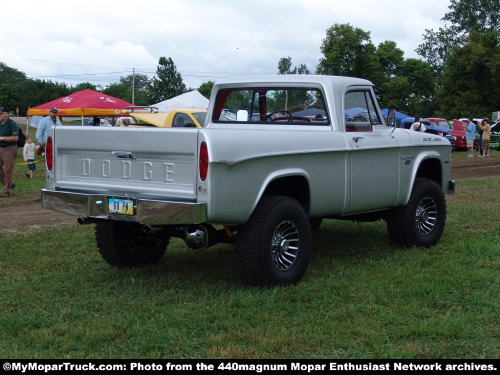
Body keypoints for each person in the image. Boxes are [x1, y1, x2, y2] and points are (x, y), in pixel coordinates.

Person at [0, 107, 20, 197]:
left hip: (10, 148)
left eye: (1, 113)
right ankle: (9, 184)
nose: (0, 115)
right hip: (1, 147)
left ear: (7, 114)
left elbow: (16, 138)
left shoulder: (12, 124)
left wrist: (2, 138)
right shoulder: (1, 123)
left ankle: (6, 192)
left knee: (8, 170)